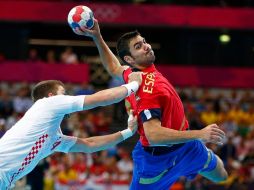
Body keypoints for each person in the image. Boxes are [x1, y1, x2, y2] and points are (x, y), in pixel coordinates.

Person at [75, 19, 228, 189]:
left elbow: (114, 68)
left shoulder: (135, 75)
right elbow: (153, 135)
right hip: (156, 162)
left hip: (186, 147)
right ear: (130, 59)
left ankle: (191, 165)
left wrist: (97, 36)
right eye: (138, 47)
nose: (146, 46)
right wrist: (200, 134)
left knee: (221, 174)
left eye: (144, 42)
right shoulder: (148, 88)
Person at [0, 73, 142, 189]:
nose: (66, 96)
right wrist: (134, 85)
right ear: (51, 95)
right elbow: (100, 99)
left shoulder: (53, 138)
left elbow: (89, 144)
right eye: (63, 93)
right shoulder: (49, 103)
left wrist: (128, 132)